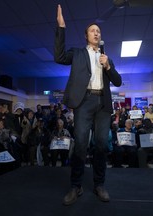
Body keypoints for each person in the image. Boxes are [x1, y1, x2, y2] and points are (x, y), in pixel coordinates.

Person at [54, 4, 122, 205]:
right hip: (83, 102)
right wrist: (61, 27)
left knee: (101, 145)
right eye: (93, 30)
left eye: (98, 31)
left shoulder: (106, 58)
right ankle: (76, 186)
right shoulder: (77, 54)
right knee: (81, 145)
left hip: (102, 103)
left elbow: (117, 81)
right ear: (86, 36)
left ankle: (99, 184)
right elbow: (58, 57)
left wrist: (108, 65)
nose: (96, 32)